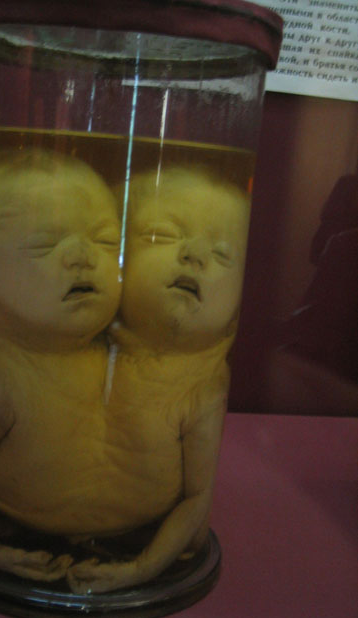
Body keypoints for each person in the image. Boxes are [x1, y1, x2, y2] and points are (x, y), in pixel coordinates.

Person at [67, 167, 250, 593]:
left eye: (223, 254)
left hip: (142, 541)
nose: (196, 255)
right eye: (163, 235)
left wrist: (140, 570)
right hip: (44, 531)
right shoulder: (77, 349)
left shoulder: (200, 392)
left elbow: (196, 499)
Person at [0, 147, 122, 581]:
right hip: (23, 533)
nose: (82, 255)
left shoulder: (118, 359)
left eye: (105, 242)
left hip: (114, 541)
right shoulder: (0, 381)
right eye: (45, 244)